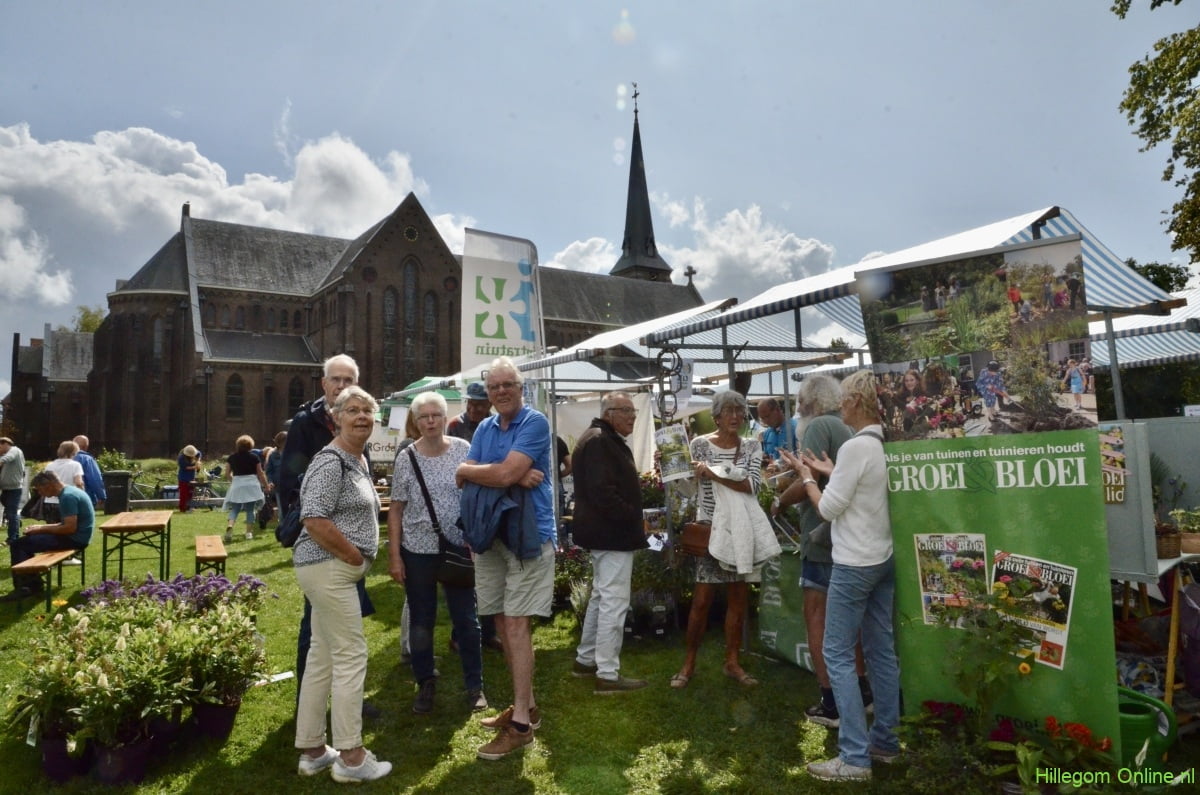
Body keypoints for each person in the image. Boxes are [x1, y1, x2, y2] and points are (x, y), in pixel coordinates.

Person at [790, 369, 900, 782]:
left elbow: (827, 509)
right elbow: (862, 492)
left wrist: (807, 477)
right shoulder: (882, 442)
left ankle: (854, 757)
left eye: (846, 400)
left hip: (855, 562)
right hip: (883, 557)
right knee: (880, 652)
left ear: (855, 402)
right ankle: (886, 742)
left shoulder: (858, 447)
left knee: (837, 654)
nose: (841, 406)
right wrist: (832, 469)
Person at [456, 356, 555, 761]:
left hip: (528, 536)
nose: (500, 391)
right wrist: (498, 471)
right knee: (499, 618)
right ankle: (525, 707)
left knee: (516, 623)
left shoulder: (534, 423)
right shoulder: (484, 426)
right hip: (491, 536)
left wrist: (483, 469)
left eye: (507, 384)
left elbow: (491, 475)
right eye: (494, 386)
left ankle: (519, 728)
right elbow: (486, 473)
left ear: (521, 386)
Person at [293, 386, 391, 783]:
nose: (362, 417)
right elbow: (313, 519)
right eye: (353, 410)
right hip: (329, 567)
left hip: (331, 570)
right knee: (352, 655)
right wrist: (354, 555)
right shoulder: (330, 460)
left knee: (322, 657)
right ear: (336, 418)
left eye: (368, 411)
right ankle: (352, 757)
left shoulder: (357, 458)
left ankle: (313, 750)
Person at [279, 354, 378, 719]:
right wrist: (314, 523)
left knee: (333, 630)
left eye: (348, 378)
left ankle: (337, 699)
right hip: (326, 545)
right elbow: (293, 480)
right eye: (335, 379)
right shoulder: (307, 422)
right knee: (317, 628)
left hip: (347, 542)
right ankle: (313, 700)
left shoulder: (357, 417)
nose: (341, 384)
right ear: (323, 384)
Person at [773, 375, 870, 728]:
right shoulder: (845, 428)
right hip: (846, 539)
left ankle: (830, 701)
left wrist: (779, 501)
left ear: (809, 401)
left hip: (821, 539)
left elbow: (809, 480)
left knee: (818, 619)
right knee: (849, 626)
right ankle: (862, 692)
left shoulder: (816, 427)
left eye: (800, 399)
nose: (797, 406)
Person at [388, 391, 486, 714]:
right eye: (423, 417)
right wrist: (394, 556)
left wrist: (474, 538)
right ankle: (425, 682)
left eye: (435, 415)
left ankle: (475, 686)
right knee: (421, 621)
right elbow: (396, 509)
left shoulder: (463, 450)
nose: (430, 421)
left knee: (467, 622)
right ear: (415, 423)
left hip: (457, 549)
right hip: (417, 551)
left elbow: (475, 497)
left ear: (445, 419)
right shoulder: (407, 457)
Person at [671, 390, 766, 690]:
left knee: (737, 599)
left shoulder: (751, 446)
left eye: (739, 411)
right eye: (728, 411)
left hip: (740, 531)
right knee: (701, 601)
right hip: (710, 531)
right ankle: (688, 663)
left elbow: (752, 486)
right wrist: (674, 468)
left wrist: (712, 473)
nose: (736, 416)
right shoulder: (699, 445)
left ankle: (732, 661)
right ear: (716, 417)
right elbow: (687, 488)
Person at [571, 391, 649, 694]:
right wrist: (631, 516)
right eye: (626, 410)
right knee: (613, 602)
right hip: (612, 533)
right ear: (609, 413)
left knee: (602, 598)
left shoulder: (600, 437)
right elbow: (603, 491)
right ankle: (607, 673)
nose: (632, 416)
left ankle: (586, 660)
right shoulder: (601, 440)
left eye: (633, 411)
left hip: (605, 533)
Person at [443, 382, 503, 653]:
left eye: (479, 403)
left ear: (488, 404)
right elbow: (454, 466)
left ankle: (488, 632)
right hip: (464, 503)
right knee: (467, 574)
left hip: (488, 503)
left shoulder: (494, 425)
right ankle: (460, 634)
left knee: (489, 574)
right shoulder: (455, 425)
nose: (474, 407)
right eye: (471, 403)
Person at [0, 470, 94, 602]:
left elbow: (69, 528)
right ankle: (33, 584)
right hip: (79, 536)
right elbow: (66, 523)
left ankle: (26, 588)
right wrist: (39, 528)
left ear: (49, 485)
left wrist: (42, 529)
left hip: (75, 539)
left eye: (39, 489)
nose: (39, 493)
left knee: (18, 545)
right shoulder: (70, 491)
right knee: (23, 543)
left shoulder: (67, 497)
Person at [223, 434, 268, 542]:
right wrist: (266, 485)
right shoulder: (254, 457)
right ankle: (248, 533)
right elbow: (260, 473)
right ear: (250, 446)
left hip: (237, 484)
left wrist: (233, 481)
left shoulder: (232, 457)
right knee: (250, 509)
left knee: (235, 509)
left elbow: (227, 474)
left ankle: (230, 526)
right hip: (251, 485)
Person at [42, 441, 84, 524]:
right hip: (68, 500)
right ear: (73, 452)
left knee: (52, 529)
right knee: (68, 528)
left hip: (50, 501)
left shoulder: (50, 465)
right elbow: (78, 483)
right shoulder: (75, 465)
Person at [0, 437, 26, 546]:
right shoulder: (5, 455)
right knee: (11, 513)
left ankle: (13, 538)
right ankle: (16, 522)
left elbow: (7, 459)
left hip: (14, 489)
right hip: (5, 489)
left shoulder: (15, 450)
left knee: (11, 513)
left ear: (6, 444)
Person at [757, 396, 798, 464]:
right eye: (762, 418)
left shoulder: (795, 428)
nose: (765, 421)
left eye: (767, 416)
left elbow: (802, 455)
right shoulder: (767, 433)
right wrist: (765, 458)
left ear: (777, 410)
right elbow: (767, 455)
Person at [72, 435, 106, 509]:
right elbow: (94, 479)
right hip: (85, 497)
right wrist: (101, 496)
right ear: (86, 446)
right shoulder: (87, 459)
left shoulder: (64, 459)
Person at [265, 431, 287, 516]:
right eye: (283, 441)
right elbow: (269, 471)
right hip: (278, 486)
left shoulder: (292, 453)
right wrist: (270, 481)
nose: (285, 444)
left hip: (292, 486)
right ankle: (283, 527)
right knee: (281, 510)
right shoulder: (273, 455)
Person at [178, 444, 202, 513]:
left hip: (192, 477)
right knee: (183, 494)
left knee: (191, 493)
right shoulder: (181, 458)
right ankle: (182, 508)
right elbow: (185, 468)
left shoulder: (196, 453)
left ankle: (189, 507)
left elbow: (199, 453)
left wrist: (198, 461)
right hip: (183, 478)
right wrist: (195, 467)